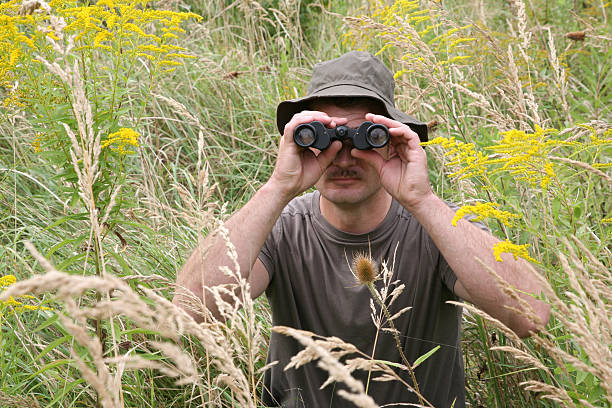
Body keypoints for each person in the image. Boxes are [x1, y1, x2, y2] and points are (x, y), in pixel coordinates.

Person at [174, 51, 551, 407]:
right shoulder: (280, 227)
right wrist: (277, 188)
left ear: (394, 143)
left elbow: (531, 314)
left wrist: (422, 200)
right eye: (324, 137)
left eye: (367, 137)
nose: (344, 156)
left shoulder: (439, 228)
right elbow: (188, 316)